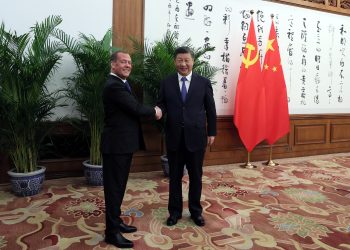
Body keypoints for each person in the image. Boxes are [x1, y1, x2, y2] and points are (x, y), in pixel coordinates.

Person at [101, 51, 162, 248]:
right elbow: (135, 108)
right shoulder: (113, 86)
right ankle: (111, 232)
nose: (128, 65)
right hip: (116, 146)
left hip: (122, 145)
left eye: (129, 62)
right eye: (123, 62)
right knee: (114, 190)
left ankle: (116, 222)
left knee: (119, 187)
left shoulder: (121, 83)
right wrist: (155, 111)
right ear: (113, 65)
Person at [157, 46, 217, 227]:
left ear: (193, 61)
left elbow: (210, 108)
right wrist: (158, 111)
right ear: (174, 62)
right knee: (174, 177)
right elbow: (161, 104)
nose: (183, 64)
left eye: (186, 60)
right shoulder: (166, 82)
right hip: (174, 137)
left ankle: (195, 212)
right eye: (179, 60)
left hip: (196, 137)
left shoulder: (203, 82)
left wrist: (212, 131)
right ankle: (174, 212)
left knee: (196, 176)